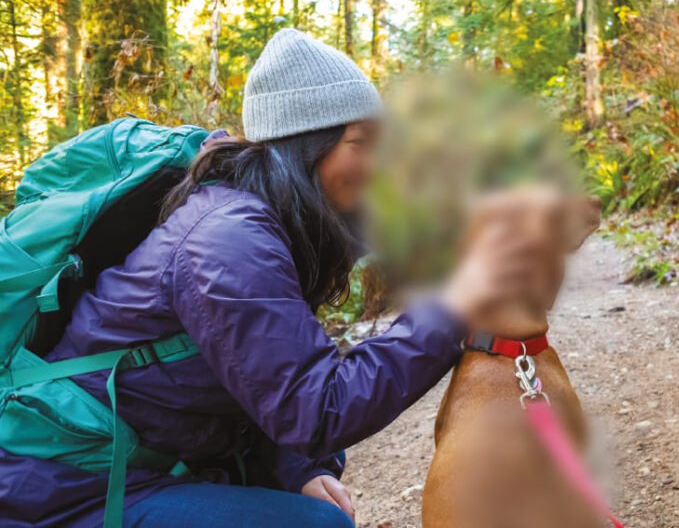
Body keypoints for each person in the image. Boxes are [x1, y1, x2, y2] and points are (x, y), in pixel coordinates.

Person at [0, 29, 536, 527]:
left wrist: (298, 471)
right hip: (73, 481)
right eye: (364, 141)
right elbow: (319, 408)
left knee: (313, 463)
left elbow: (271, 384)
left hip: (158, 456)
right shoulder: (228, 238)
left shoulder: (272, 221)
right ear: (307, 143)